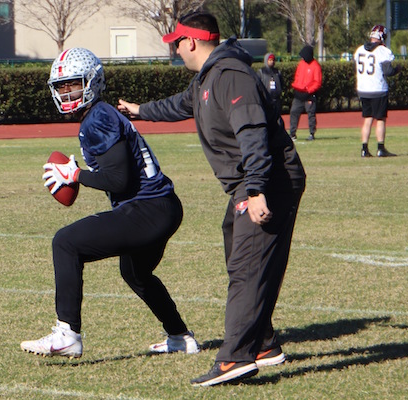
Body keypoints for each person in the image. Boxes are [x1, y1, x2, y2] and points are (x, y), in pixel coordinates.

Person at [117, 12, 306, 387]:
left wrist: (255, 190)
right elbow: (179, 105)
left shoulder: (230, 75)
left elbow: (252, 133)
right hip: (252, 183)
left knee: (246, 267)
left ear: (191, 42)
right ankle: (264, 344)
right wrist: (140, 111)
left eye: (177, 43)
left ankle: (236, 357)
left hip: (268, 181)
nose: (175, 49)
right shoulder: (207, 77)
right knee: (239, 251)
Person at [20, 47, 199, 360]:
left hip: (148, 208)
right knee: (136, 273)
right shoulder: (99, 115)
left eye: (72, 84)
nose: (65, 92)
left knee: (66, 243)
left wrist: (75, 175)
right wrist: (80, 174)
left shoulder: (98, 119)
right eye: (60, 87)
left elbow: (119, 181)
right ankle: (180, 337)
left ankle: (68, 333)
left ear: (91, 82)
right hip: (162, 207)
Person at [354, 25, 400, 157]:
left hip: (363, 89)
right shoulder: (382, 51)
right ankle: (381, 148)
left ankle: (364, 148)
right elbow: (388, 71)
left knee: (368, 119)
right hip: (378, 89)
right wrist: (398, 69)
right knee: (380, 119)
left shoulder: (359, 50)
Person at [288, 45, 321, 141]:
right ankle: (292, 133)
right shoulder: (301, 64)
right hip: (299, 93)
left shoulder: (315, 66)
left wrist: (309, 90)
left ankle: (311, 133)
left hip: (309, 95)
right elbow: (297, 77)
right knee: (294, 112)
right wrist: (296, 87)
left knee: (311, 114)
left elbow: (317, 82)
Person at [258, 53, 284, 129]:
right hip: (266, 99)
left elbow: (281, 83)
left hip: (276, 99)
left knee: (277, 117)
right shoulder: (261, 72)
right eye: (270, 60)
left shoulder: (277, 72)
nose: (272, 62)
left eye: (273, 60)